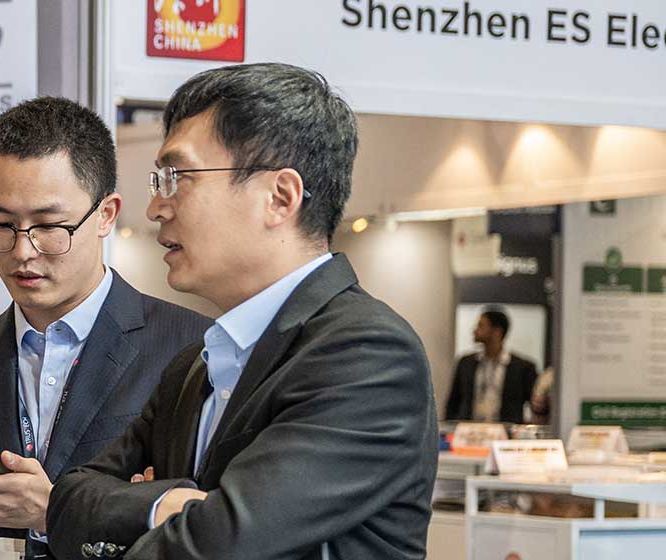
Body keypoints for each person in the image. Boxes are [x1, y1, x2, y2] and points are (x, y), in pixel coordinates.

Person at [46, 63, 435, 560]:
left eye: (177, 177)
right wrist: (165, 504)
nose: (155, 208)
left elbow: (222, 544)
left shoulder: (367, 354)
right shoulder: (195, 366)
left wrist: (151, 514)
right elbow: (69, 501)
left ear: (279, 197)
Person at [0, 98, 210, 560]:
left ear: (106, 215)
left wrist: (57, 513)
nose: (22, 251)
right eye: (1, 224)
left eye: (49, 226)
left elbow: (209, 530)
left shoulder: (190, 350)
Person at [444, 308, 539, 424]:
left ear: (497, 331)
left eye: (481, 326)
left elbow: (536, 406)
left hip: (506, 436)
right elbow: (453, 403)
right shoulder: (466, 363)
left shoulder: (522, 368)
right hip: (470, 434)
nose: (474, 330)